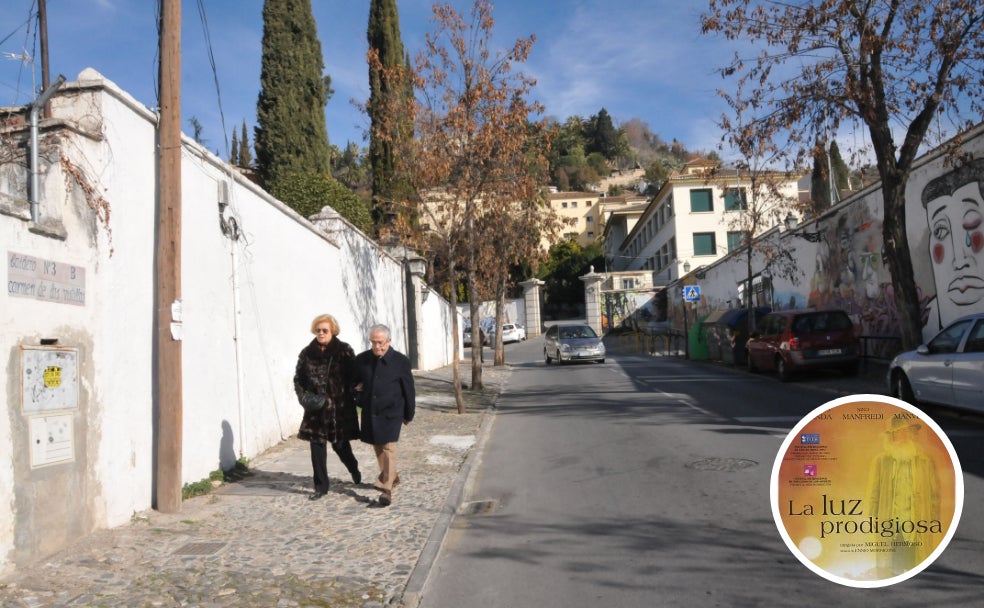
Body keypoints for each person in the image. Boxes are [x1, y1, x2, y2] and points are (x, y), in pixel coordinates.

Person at [293, 314, 361, 501]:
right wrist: (303, 397)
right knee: (317, 447)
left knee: (340, 445)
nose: (321, 333)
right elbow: (298, 379)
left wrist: (355, 389)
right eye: (318, 330)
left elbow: (355, 375)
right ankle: (321, 487)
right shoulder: (307, 353)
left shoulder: (344, 351)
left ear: (333, 331)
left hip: (338, 408)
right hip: (316, 409)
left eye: (325, 330)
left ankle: (353, 467)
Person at [353, 324, 415, 507]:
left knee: (388, 447)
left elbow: (409, 390)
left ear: (388, 341)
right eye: (373, 342)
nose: (376, 347)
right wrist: (358, 393)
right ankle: (392, 476)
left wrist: (408, 414)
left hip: (392, 412)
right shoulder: (362, 360)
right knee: (378, 447)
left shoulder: (400, 361)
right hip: (371, 412)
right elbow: (353, 383)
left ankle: (386, 489)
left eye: (380, 342)